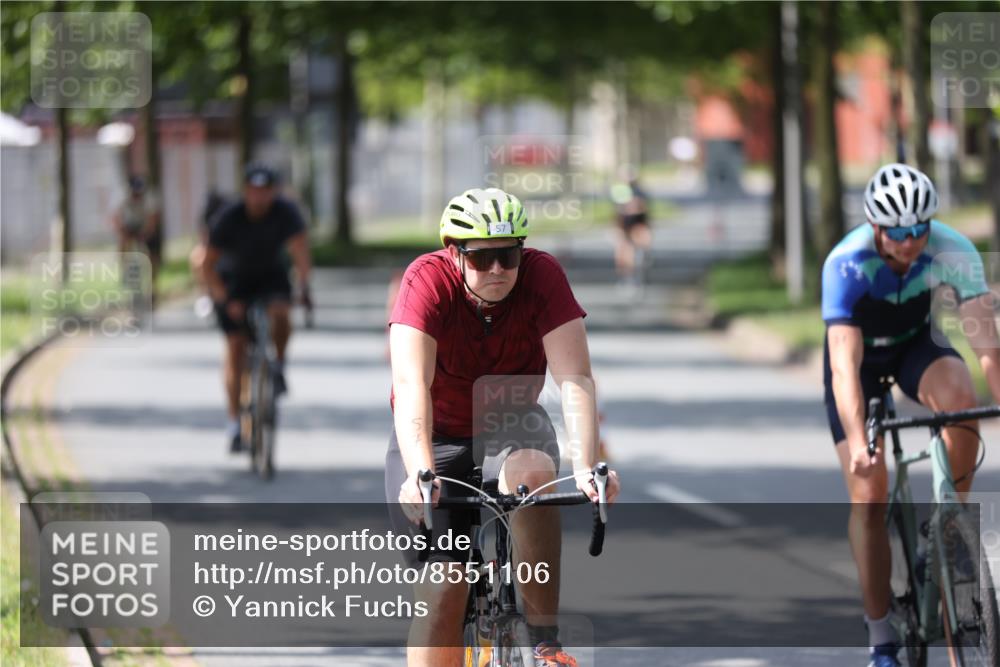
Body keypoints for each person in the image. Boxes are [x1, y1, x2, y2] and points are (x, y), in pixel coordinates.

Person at [386, 187, 620, 667]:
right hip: (437, 434)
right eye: (482, 257)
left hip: (514, 422)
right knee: (444, 589)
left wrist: (584, 467)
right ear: (454, 253)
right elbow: (411, 386)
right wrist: (420, 473)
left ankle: (544, 641)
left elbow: (574, 378)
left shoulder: (542, 276)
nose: (497, 270)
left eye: (508, 255)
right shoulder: (424, 282)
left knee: (535, 473)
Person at [821, 163, 1000, 667]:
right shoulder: (846, 263)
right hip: (857, 363)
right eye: (897, 232)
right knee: (870, 494)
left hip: (911, 349)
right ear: (876, 227)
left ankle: (947, 526)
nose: (909, 242)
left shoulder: (953, 250)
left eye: (919, 230)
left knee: (963, 398)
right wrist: (858, 441)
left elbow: (986, 344)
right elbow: (842, 364)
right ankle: (880, 635)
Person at [202, 164, 312, 453]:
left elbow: (300, 252)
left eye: (265, 192)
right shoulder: (229, 217)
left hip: (270, 276)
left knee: (282, 313)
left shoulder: (285, 212)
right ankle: (234, 424)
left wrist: (304, 287)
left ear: (273, 192)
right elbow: (207, 265)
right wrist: (224, 299)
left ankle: (279, 365)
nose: (260, 198)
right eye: (254, 191)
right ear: (246, 191)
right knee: (236, 347)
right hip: (233, 281)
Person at [111, 175, 161, 308]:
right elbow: (115, 218)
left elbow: (153, 220)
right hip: (129, 225)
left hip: (144, 225)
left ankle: (152, 287)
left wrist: (146, 234)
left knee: (152, 255)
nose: (137, 196)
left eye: (139, 193)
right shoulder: (121, 197)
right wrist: (123, 232)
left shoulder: (149, 197)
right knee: (122, 243)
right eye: (134, 194)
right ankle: (124, 268)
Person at [609, 165, 652, 289]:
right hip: (624, 225)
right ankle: (626, 277)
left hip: (638, 223)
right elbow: (616, 212)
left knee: (640, 245)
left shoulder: (640, 192)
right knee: (623, 251)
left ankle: (640, 268)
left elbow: (643, 210)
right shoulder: (618, 191)